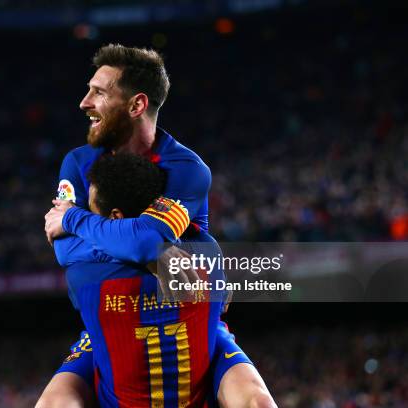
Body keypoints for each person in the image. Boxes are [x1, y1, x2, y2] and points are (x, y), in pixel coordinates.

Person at [41, 44, 275, 408]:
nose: (84, 103)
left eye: (98, 93)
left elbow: (144, 240)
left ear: (136, 105)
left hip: (190, 312)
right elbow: (66, 251)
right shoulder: (77, 163)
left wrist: (74, 219)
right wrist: (158, 254)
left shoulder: (185, 169)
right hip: (110, 321)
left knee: (256, 402)